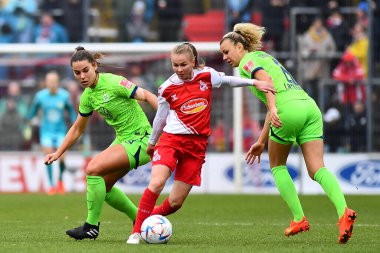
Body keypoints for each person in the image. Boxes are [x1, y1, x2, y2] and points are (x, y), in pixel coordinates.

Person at [219, 23, 357, 244]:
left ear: (239, 46)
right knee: (317, 169)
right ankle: (344, 212)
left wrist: (274, 108)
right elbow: (271, 96)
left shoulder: (248, 61)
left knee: (277, 166)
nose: (225, 57)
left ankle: (299, 218)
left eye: (226, 51)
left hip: (286, 110)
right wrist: (261, 140)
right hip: (309, 107)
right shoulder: (266, 57)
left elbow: (268, 84)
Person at [126, 42, 276, 244]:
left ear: (193, 62)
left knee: (175, 202)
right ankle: (136, 232)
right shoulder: (167, 87)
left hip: (196, 145)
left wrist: (254, 83)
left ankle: (145, 217)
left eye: (183, 65)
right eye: (175, 65)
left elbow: (228, 80)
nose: (179, 69)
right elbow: (160, 118)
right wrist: (153, 142)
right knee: (157, 182)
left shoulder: (207, 75)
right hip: (171, 140)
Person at [44, 46, 158, 240]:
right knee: (103, 187)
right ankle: (140, 219)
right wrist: (58, 152)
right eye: (76, 72)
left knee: (92, 168)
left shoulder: (114, 82)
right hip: (124, 139)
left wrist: (167, 125)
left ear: (95, 66)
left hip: (141, 139)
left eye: (85, 70)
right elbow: (77, 128)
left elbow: (147, 96)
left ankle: (91, 226)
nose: (81, 76)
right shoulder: (88, 96)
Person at [28, 71, 76, 194]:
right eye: (50, 81)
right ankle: (51, 185)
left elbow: (71, 111)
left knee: (62, 157)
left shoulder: (64, 96)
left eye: (54, 81)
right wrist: (29, 119)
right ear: (46, 83)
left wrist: (75, 124)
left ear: (57, 82)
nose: (52, 84)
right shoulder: (40, 96)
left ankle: (60, 181)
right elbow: (33, 111)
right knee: (48, 155)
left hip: (61, 131)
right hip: (46, 131)